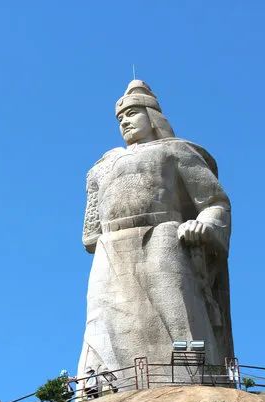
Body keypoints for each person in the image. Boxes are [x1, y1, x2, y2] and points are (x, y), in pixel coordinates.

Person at [77, 80, 234, 382]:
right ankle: (101, 384)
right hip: (110, 247)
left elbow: (216, 202)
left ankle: (192, 377)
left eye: (133, 113)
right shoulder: (102, 167)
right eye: (120, 117)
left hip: (162, 237)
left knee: (175, 313)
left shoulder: (175, 151)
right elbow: (89, 234)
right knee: (103, 321)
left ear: (152, 116)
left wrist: (204, 225)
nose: (124, 121)